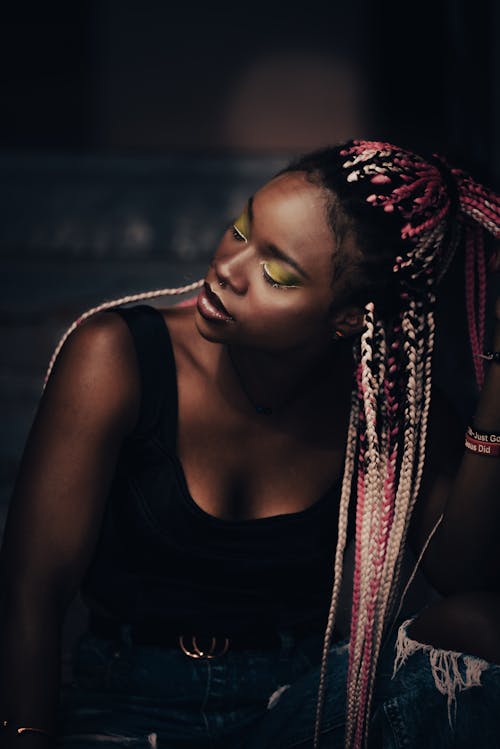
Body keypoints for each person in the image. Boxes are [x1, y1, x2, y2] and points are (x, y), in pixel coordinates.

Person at [0, 139, 500, 749]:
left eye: (275, 273)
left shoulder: (389, 410)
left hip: (298, 706)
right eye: (242, 228)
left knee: (480, 628)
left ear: (348, 317)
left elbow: (459, 572)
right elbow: (33, 586)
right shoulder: (117, 357)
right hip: (128, 706)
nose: (228, 269)